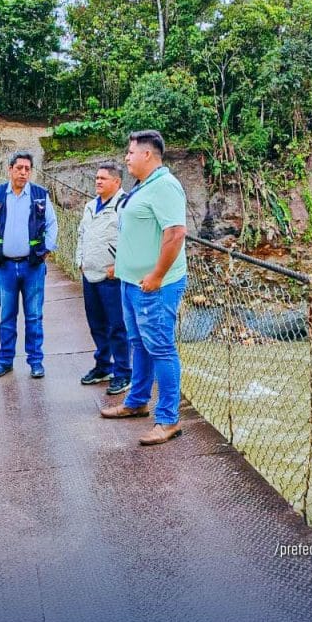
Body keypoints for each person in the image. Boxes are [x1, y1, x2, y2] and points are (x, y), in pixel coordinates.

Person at [99, 130, 188, 446]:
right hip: (132, 282)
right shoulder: (143, 187)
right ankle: (137, 402)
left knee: (161, 347)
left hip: (154, 286)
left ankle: (168, 420)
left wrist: (157, 275)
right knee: (139, 342)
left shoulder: (165, 187)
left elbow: (176, 234)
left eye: (131, 152)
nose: (127, 157)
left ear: (147, 155)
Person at [0, 151, 58, 379]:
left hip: (33, 266)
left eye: (27, 169)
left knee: (34, 316)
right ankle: (5, 360)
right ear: (10, 170)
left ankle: (36, 362)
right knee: (7, 315)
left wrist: (46, 249)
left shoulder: (40, 195)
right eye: (19, 168)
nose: (23, 173)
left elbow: (52, 224)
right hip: (4, 267)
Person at [76, 162, 131, 396]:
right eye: (97, 178)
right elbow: (81, 234)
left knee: (118, 326)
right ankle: (103, 366)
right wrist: (79, 260)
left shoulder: (125, 205)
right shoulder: (90, 206)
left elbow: (132, 239)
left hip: (111, 277)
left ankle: (123, 373)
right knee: (96, 324)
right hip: (89, 274)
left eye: (103, 178)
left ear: (116, 182)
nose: (98, 181)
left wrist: (119, 267)